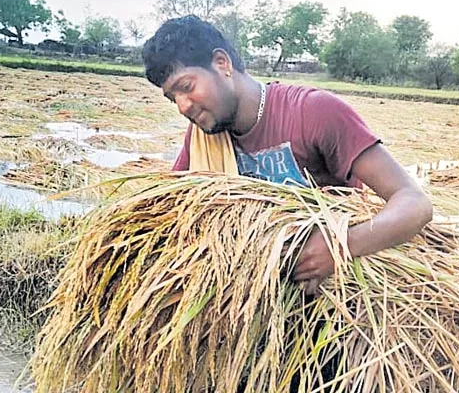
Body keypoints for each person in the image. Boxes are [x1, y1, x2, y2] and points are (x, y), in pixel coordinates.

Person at [142, 15, 433, 295]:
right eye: (172, 98)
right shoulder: (203, 138)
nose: (182, 106)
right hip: (257, 287)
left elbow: (414, 202)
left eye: (187, 87)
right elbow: (170, 212)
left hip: (334, 295)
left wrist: (342, 244)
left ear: (222, 63)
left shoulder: (314, 112)